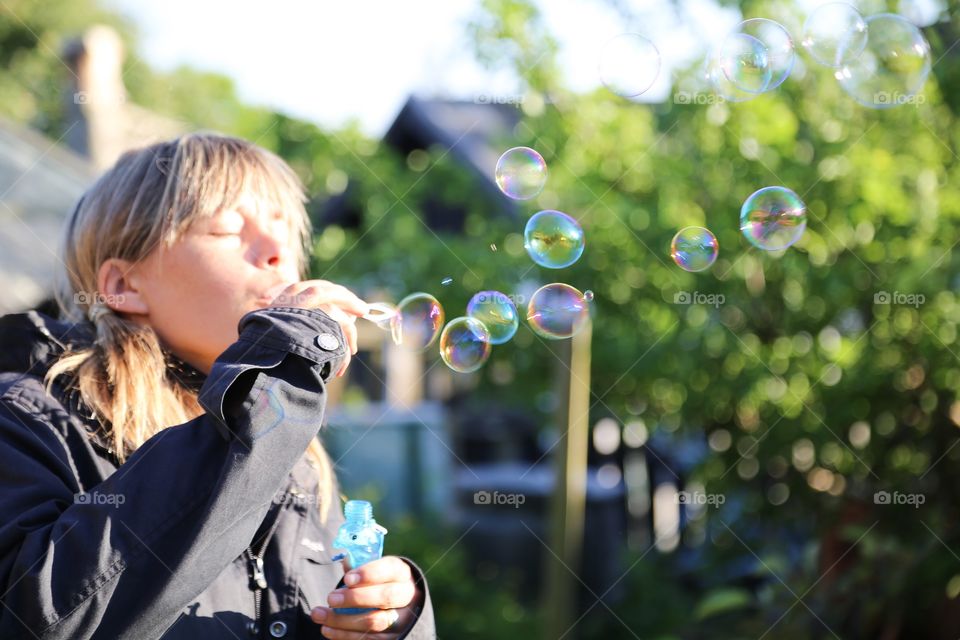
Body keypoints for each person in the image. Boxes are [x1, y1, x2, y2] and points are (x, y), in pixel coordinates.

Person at [0, 132, 435, 639]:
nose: (276, 252)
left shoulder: (298, 458)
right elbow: (41, 618)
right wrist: (275, 373)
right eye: (229, 230)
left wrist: (392, 619)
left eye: (284, 232)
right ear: (123, 286)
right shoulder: (30, 420)